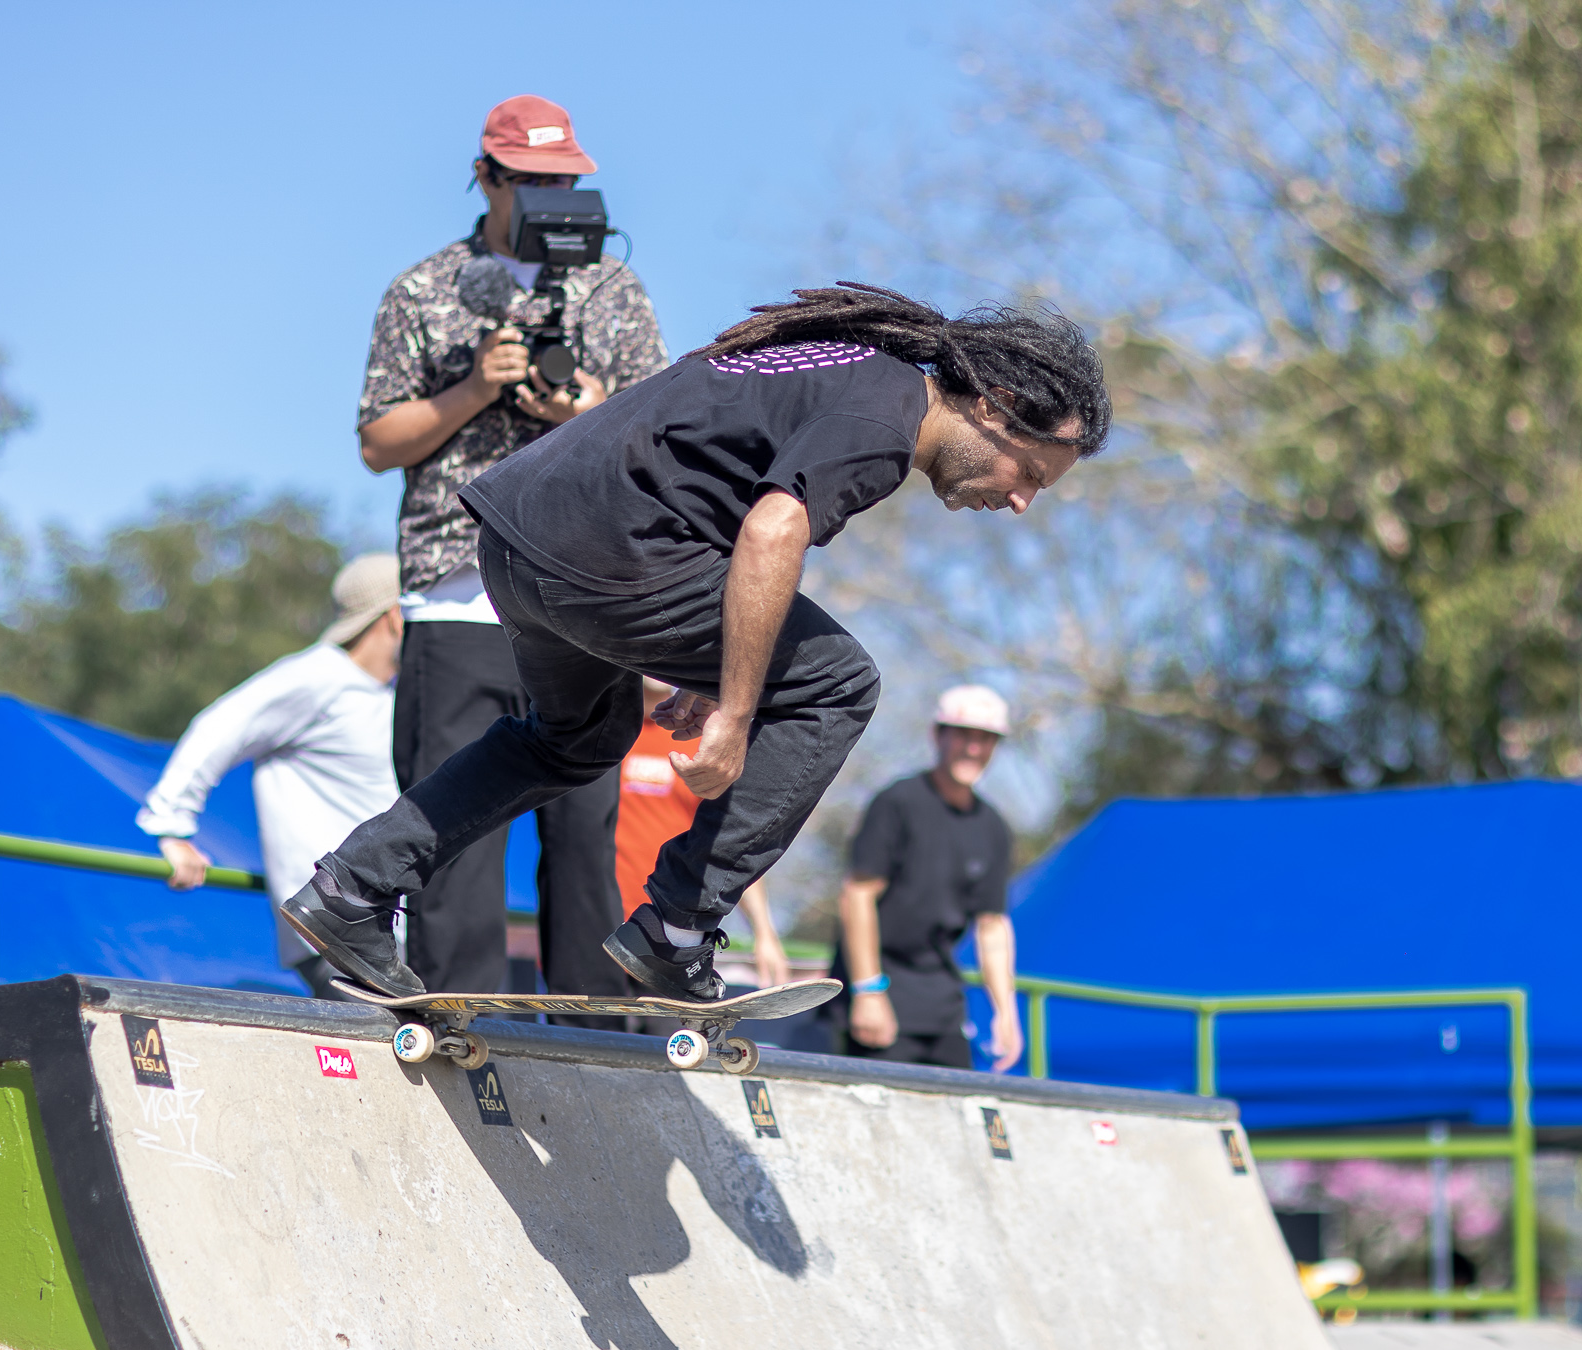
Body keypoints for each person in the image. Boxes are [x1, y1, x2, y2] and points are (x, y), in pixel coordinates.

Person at [280, 281, 1110, 1006]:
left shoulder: (845, 367)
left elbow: (710, 483)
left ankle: (354, 886)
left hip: (518, 539)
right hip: (616, 551)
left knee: (575, 736)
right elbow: (774, 530)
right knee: (840, 684)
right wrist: (738, 709)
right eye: (1030, 474)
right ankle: (676, 928)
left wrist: (711, 662)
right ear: (993, 405)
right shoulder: (885, 418)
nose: (1020, 501)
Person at [355, 93, 668, 998]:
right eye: (530, 179)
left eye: (564, 179)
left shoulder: (614, 287)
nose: (549, 194)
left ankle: (593, 1037)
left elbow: (663, 431)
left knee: (584, 832)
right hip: (457, 591)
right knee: (455, 829)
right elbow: (378, 440)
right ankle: (456, 1018)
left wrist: (587, 405)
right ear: (485, 177)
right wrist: (474, 389)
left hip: (581, 590)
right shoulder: (423, 288)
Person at [138, 554, 403, 998]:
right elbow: (222, 725)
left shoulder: (394, 694)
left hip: (395, 934)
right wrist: (171, 825)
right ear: (394, 616)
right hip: (336, 931)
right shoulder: (317, 676)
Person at [832, 685, 1022, 1072]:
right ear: (938, 735)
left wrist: (1006, 1012)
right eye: (963, 735)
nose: (973, 749)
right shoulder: (898, 803)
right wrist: (868, 991)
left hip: (941, 1008)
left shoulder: (993, 827)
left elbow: (991, 925)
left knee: (961, 1117)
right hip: (879, 998)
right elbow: (857, 896)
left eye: (985, 739)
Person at [618, 677, 791, 989]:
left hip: (669, 930)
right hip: (601, 926)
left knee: (668, 1037)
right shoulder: (602, 737)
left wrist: (764, 933)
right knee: (592, 1033)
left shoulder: (701, 741)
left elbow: (732, 841)